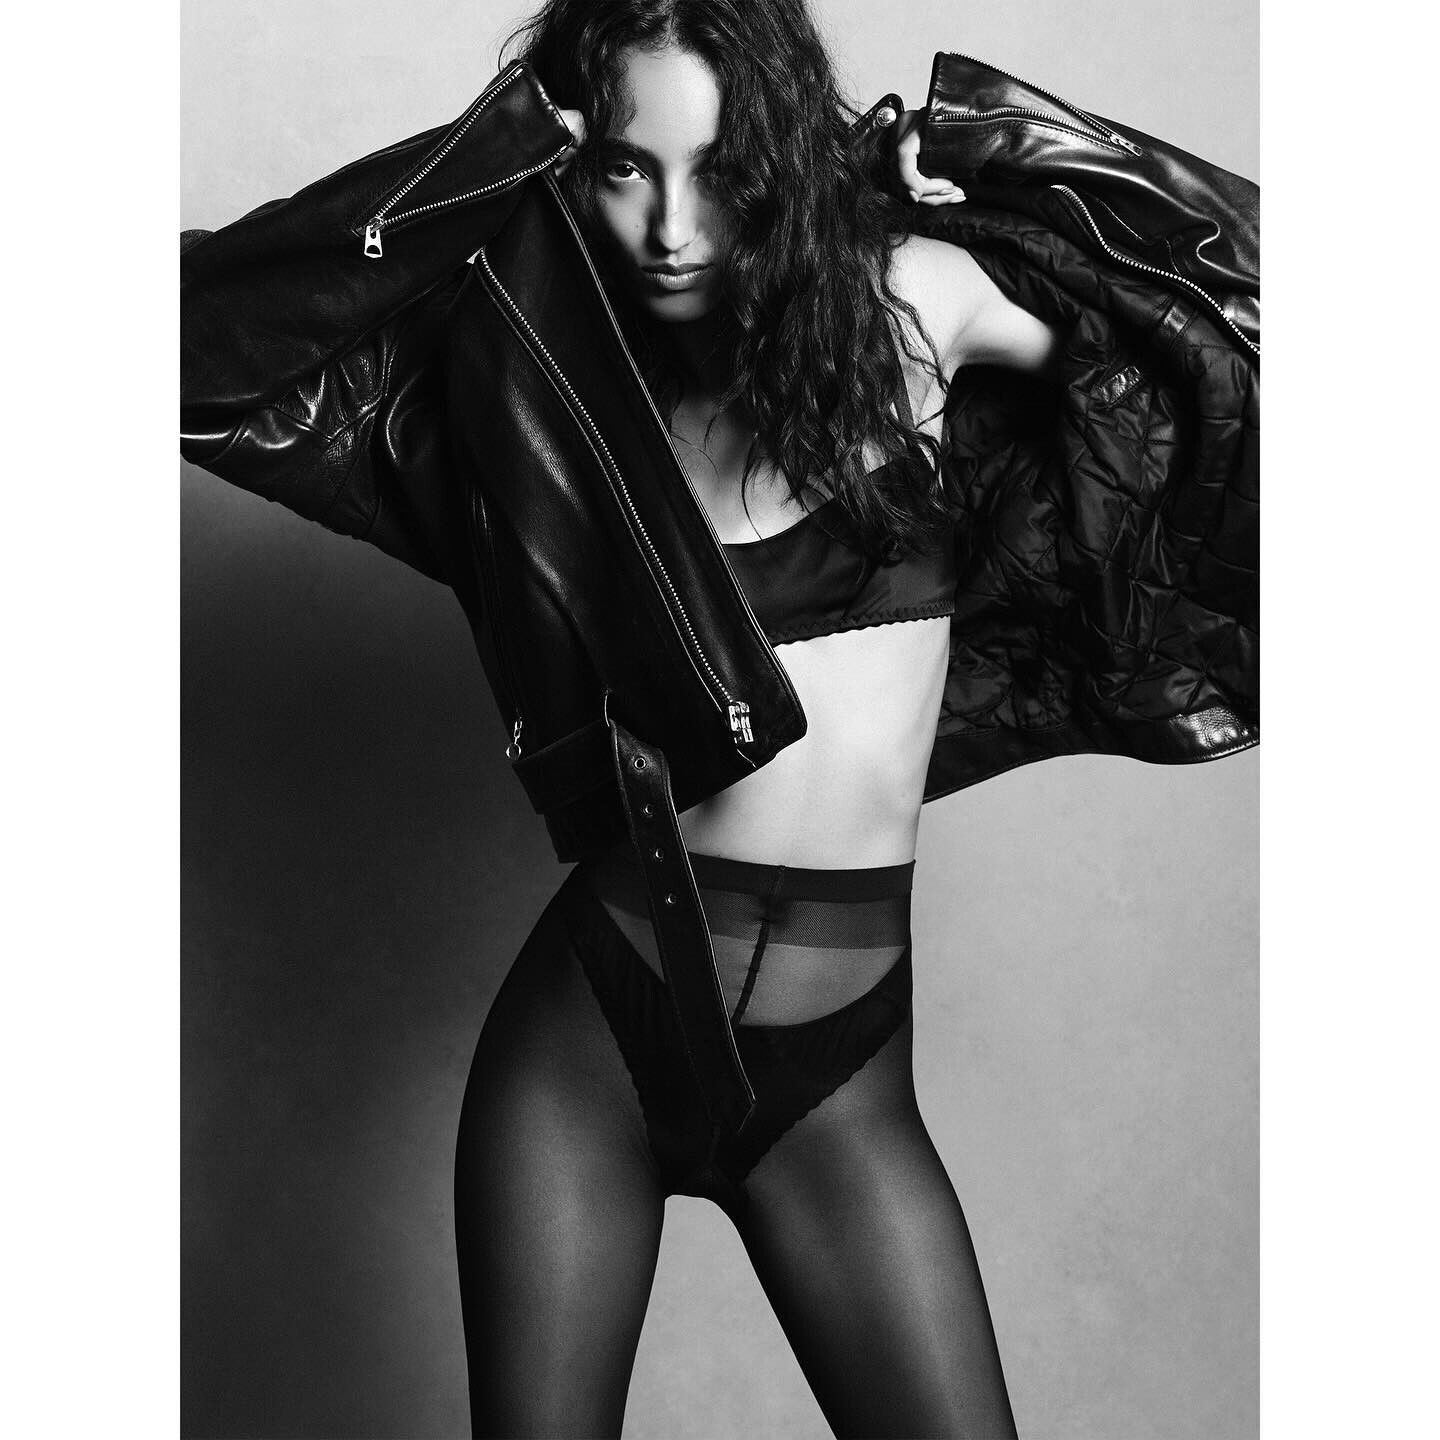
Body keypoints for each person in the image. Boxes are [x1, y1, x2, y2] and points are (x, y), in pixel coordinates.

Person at [181, 1, 1257, 1435]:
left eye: (723, 171)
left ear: (785, 158)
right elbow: (190, 349)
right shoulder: (534, 376)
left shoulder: (912, 299)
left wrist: (1001, 170)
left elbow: (1235, 355)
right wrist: (490, 157)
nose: (674, 229)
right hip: (587, 1053)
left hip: (838, 1086)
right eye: (627, 168)